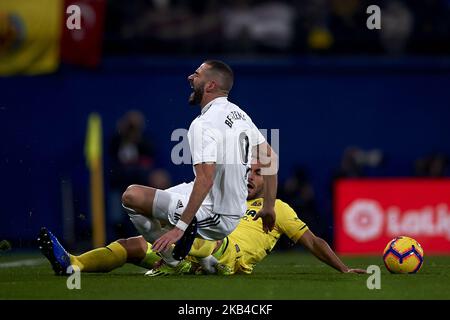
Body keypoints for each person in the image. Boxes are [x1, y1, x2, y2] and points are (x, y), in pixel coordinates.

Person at [38, 164, 365, 276]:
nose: (250, 177)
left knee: (213, 242)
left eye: (257, 173)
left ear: (268, 180)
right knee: (133, 245)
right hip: (194, 254)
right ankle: (74, 264)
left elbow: (313, 241)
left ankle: (186, 250)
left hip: (229, 257)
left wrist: (343, 268)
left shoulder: (276, 207)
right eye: (246, 170)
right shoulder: (222, 196)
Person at [118, 60, 277, 271]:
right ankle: (204, 260)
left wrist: (180, 229)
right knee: (148, 201)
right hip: (223, 202)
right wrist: (269, 207)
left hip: (218, 213)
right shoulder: (240, 114)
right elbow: (270, 157)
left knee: (132, 198)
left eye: (197, 74)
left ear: (210, 85)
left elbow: (206, 179)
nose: (190, 78)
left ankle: (175, 259)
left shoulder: (204, 124)